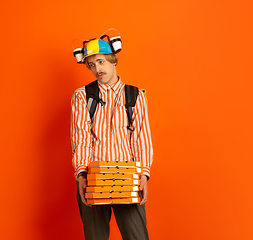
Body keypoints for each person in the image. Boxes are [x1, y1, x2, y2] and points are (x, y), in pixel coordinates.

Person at [70, 37, 153, 240]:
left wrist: (143, 174)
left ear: (113, 60)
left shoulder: (135, 95)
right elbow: (81, 137)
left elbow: (141, 137)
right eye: (91, 65)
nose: (97, 68)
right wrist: (81, 175)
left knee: (137, 237)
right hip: (93, 178)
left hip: (128, 177)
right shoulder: (82, 96)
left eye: (101, 62)